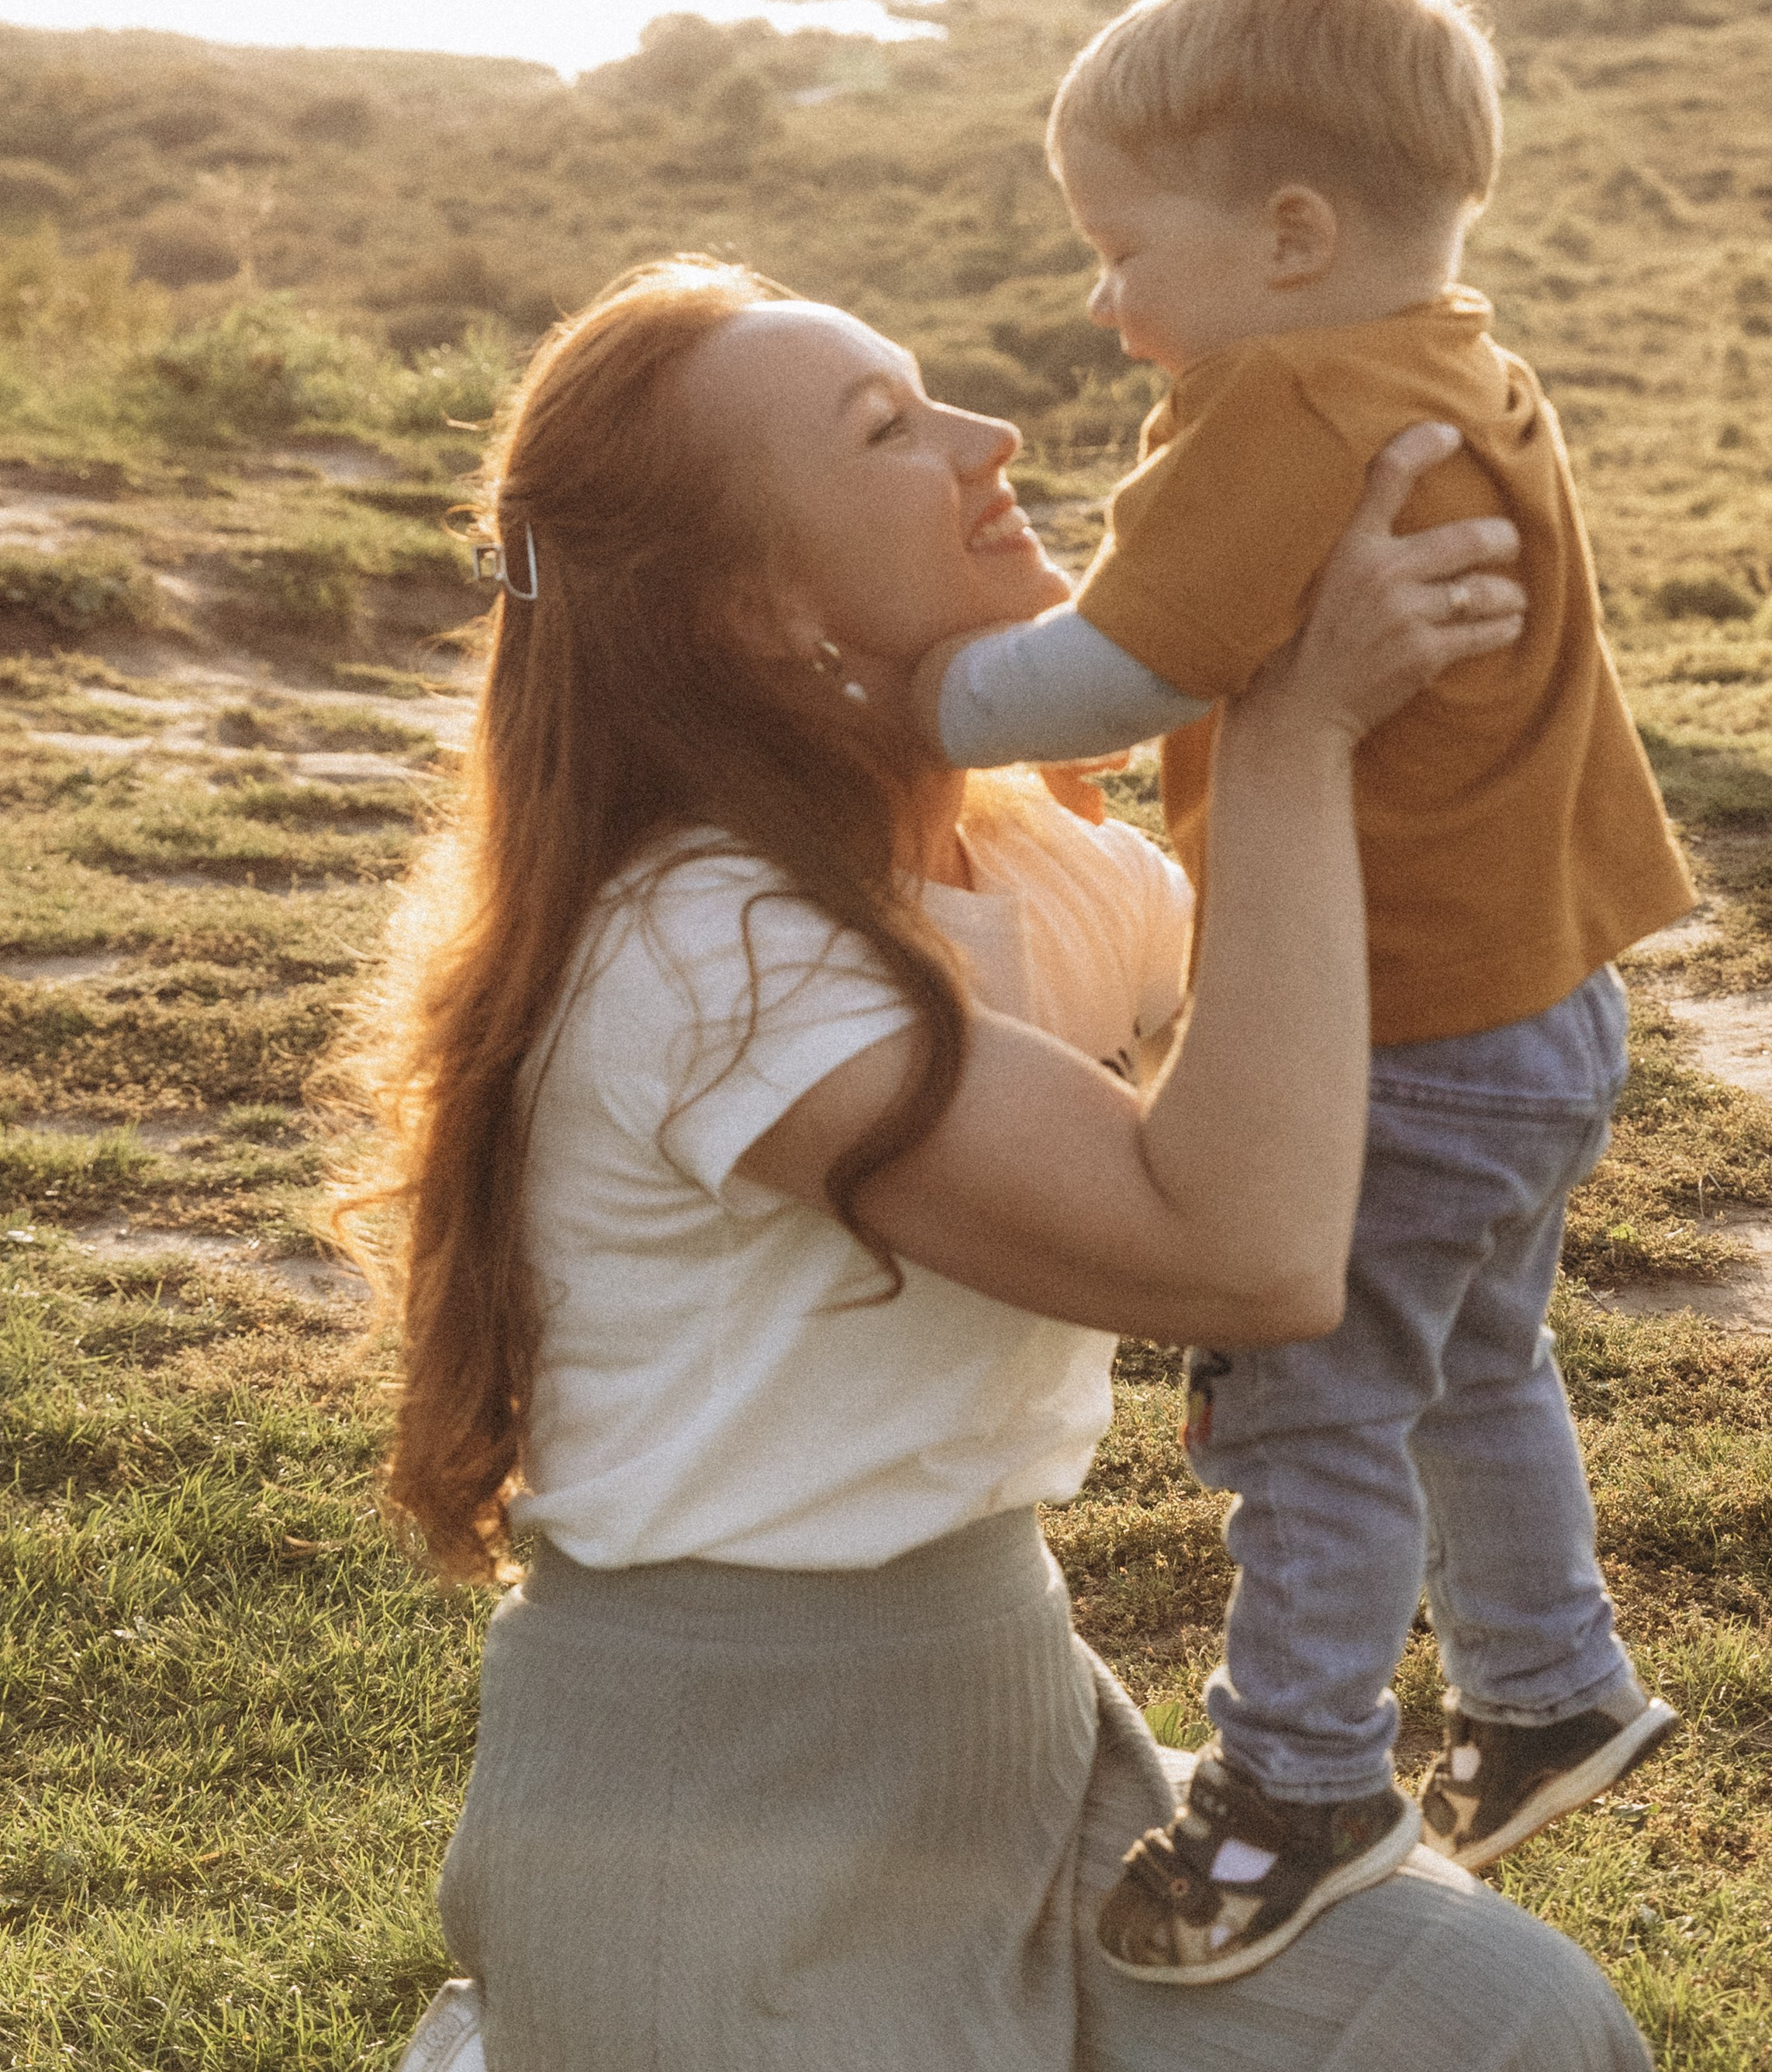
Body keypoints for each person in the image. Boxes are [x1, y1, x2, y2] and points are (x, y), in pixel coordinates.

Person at [351, 257, 1651, 2072]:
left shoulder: (1020, 853)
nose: (992, 436)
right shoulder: (705, 948)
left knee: (1509, 2033)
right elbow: (1252, 1251)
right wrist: (1290, 726)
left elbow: (1333, 1040)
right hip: (713, 1793)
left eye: (929, 391)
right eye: (890, 431)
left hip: (1026, 1729)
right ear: (755, 611)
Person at [913, 0, 1693, 1984]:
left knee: (1311, 1401)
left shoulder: (1288, 400)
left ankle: (1295, 1782)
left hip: (1403, 1028)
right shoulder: (1457, 358)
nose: (1100, 304)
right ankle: (1544, 1680)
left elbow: (1113, 667)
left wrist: (894, 697)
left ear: (1281, 233)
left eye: (1115, 250)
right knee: (1476, 1349)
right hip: (1544, 1005)